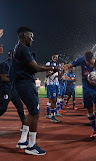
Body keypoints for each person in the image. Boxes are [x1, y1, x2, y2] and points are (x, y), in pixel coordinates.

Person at [12, 27, 60, 155]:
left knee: (31, 112)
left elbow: (35, 65)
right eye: (31, 36)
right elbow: (36, 67)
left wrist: (52, 67)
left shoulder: (19, 48)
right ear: (23, 36)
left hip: (22, 84)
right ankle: (32, 145)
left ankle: (23, 141)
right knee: (35, 113)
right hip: (26, 84)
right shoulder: (22, 49)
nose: (32, 38)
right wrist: (54, 68)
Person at [66, 51, 96, 139]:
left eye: (90, 61)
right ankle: (94, 130)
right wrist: (65, 66)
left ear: (94, 58)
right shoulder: (82, 60)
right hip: (86, 89)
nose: (88, 64)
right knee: (89, 110)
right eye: (87, 62)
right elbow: (71, 64)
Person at [0, 50, 25, 127]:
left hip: (13, 90)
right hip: (5, 89)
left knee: (20, 106)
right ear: (9, 55)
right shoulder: (4, 64)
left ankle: (25, 126)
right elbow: (4, 78)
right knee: (2, 108)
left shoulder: (16, 65)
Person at [45, 53, 62, 122]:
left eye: (57, 57)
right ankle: (52, 117)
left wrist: (61, 72)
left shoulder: (58, 65)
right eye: (54, 57)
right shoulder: (48, 64)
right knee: (53, 100)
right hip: (51, 84)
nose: (56, 58)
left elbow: (59, 76)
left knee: (55, 100)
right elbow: (47, 75)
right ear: (52, 57)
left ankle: (53, 114)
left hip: (57, 84)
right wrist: (54, 71)